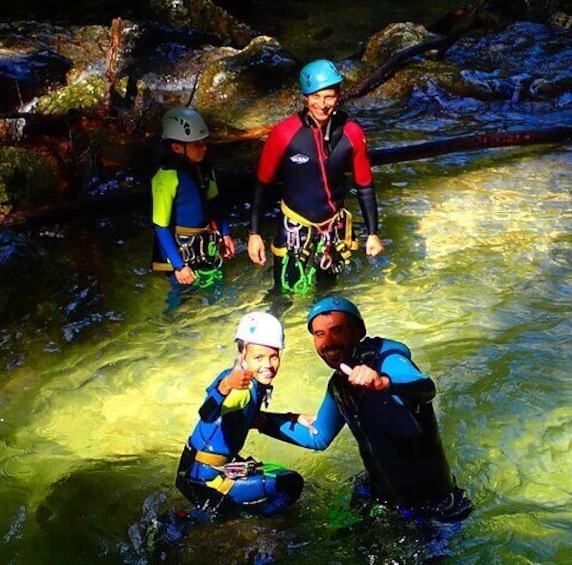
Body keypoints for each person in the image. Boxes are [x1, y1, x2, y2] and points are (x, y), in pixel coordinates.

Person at [256, 296, 472, 522]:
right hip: (381, 496)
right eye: (319, 335)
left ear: (358, 331)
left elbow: (425, 388)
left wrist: (383, 383)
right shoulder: (339, 385)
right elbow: (318, 436)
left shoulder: (387, 359)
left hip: (433, 504)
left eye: (337, 330)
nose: (328, 342)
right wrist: (260, 422)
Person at [246, 59, 384, 294]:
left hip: (333, 231)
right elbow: (263, 184)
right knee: (282, 294)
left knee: (327, 294)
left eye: (329, 97)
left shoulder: (352, 133)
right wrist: (254, 234)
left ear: (339, 95)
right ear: (305, 98)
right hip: (294, 231)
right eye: (315, 97)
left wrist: (373, 233)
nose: (322, 105)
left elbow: (364, 185)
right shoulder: (284, 134)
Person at [174, 312, 304, 517]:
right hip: (207, 480)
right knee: (291, 484)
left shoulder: (241, 378)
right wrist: (226, 387)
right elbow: (206, 414)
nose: (268, 365)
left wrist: (293, 418)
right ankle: (247, 521)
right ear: (242, 354)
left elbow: (249, 419)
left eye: (274, 356)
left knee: (276, 471)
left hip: (195, 468)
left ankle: (227, 515)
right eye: (258, 357)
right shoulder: (239, 388)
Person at [151, 106, 235, 292]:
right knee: (181, 295)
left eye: (205, 142)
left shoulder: (204, 167)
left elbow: (214, 202)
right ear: (177, 147)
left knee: (216, 287)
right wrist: (179, 266)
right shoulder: (165, 178)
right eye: (197, 144)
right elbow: (161, 226)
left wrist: (225, 232)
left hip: (204, 241)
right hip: (178, 248)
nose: (204, 148)